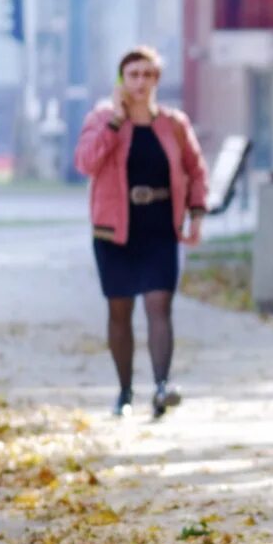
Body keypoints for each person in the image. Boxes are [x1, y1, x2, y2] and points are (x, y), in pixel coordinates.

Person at [75, 46, 208, 419]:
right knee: (120, 311)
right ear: (121, 79)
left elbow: (196, 170)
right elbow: (86, 162)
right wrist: (116, 122)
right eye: (133, 74)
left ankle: (163, 386)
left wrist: (195, 215)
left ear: (157, 81)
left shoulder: (173, 123)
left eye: (148, 75)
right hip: (114, 230)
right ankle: (124, 391)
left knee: (158, 305)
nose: (140, 82)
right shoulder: (102, 118)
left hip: (160, 226)